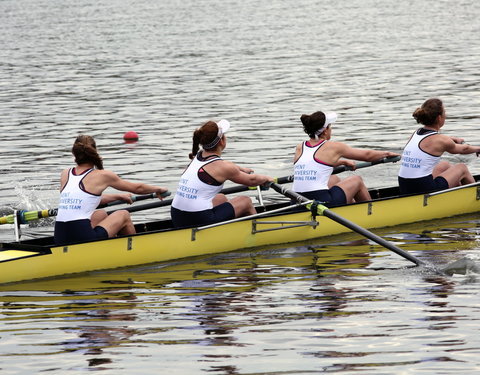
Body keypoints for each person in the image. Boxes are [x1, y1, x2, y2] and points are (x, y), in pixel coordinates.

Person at [54, 134, 169, 244]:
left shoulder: (65, 173)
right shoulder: (103, 175)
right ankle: (134, 250)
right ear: (95, 151)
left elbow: (84, 199)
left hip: (60, 235)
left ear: (74, 153)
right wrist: (158, 189)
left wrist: (119, 196)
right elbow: (137, 188)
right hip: (82, 236)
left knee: (101, 214)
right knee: (123, 214)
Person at [171, 119, 273, 227]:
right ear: (221, 141)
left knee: (221, 198)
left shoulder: (198, 156)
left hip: (177, 215)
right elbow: (251, 181)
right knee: (246, 201)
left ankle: (230, 229)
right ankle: (258, 231)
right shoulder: (223, 167)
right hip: (198, 218)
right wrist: (267, 178)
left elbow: (222, 165)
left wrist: (240, 169)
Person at [292, 111, 399, 205]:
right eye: (330, 126)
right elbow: (367, 156)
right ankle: (371, 214)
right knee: (357, 180)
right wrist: (387, 153)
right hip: (321, 202)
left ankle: (350, 209)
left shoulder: (300, 147)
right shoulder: (334, 147)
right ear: (325, 131)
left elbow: (313, 164)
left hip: (296, 200)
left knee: (334, 179)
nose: (331, 129)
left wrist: (342, 162)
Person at [398, 98, 480, 195]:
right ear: (439, 118)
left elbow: (433, 141)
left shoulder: (416, 133)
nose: (446, 115)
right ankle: (476, 197)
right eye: (444, 112)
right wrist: (478, 148)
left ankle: (458, 194)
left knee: (445, 165)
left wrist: (452, 139)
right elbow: (464, 149)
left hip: (404, 184)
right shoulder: (441, 140)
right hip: (423, 188)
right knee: (462, 168)